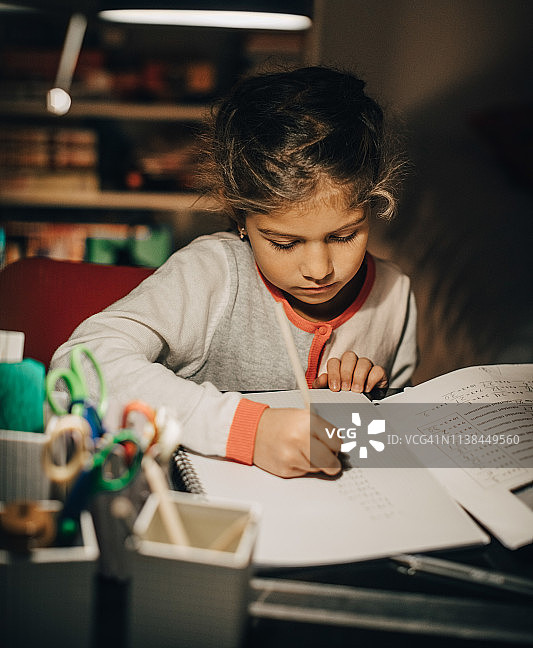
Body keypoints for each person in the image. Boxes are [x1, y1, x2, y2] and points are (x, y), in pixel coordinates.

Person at [50, 66, 417, 478]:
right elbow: (76, 369)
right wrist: (248, 430)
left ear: (373, 204)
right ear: (240, 215)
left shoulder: (395, 295)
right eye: (285, 242)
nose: (319, 270)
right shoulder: (212, 276)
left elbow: (389, 440)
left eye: (345, 235)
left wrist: (369, 399)